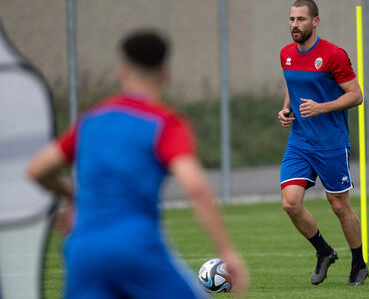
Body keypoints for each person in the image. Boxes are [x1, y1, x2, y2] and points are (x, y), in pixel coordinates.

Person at [27, 30, 248, 298]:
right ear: (166, 75)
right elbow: (195, 186)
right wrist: (226, 251)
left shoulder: (90, 121)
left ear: (122, 72)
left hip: (81, 250)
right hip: (135, 248)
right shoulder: (166, 124)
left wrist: (71, 195)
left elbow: (37, 169)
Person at [278, 0, 368, 286]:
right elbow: (293, 86)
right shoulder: (286, 54)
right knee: (290, 204)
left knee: (339, 206)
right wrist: (286, 109)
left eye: (301, 19)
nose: (295, 25)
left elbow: (356, 95)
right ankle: (324, 251)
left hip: (330, 142)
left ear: (315, 21)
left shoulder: (333, 55)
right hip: (300, 142)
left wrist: (321, 107)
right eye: (292, 19)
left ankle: (359, 263)